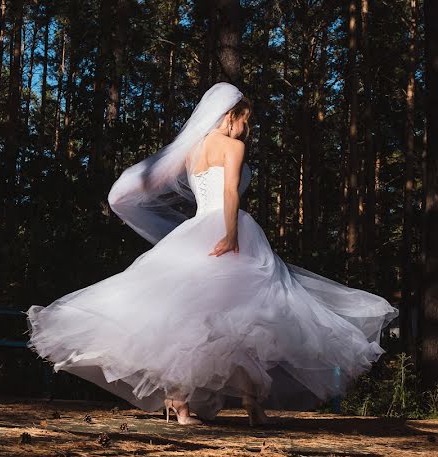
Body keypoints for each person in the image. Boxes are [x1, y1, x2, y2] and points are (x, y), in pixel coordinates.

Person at [25, 82, 398, 426]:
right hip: (224, 229)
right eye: (245, 120)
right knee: (249, 316)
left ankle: (187, 403)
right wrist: (232, 235)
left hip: (194, 233)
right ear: (230, 115)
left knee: (193, 318)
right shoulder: (233, 147)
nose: (245, 129)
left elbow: (161, 185)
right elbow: (230, 193)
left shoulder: (191, 151)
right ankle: (248, 402)